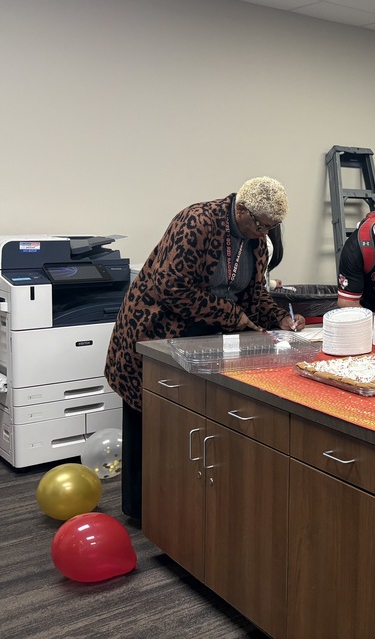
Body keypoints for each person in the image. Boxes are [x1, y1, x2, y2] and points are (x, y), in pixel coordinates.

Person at [105, 177, 306, 521]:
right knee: (150, 421)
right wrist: (233, 316)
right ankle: (141, 511)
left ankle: (178, 506)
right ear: (241, 209)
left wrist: (279, 319)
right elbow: (173, 289)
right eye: (261, 225)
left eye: (272, 228)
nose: (264, 234)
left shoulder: (255, 240)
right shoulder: (198, 222)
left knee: (188, 424)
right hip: (158, 332)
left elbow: (254, 293)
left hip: (207, 337)